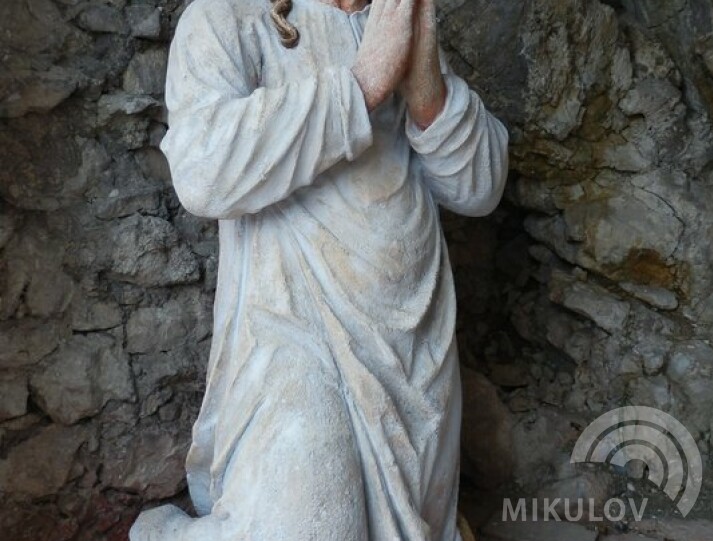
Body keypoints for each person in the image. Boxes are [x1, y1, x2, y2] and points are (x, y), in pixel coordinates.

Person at [130, 0, 508, 538]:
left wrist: (428, 90)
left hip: (413, 346)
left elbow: (479, 189)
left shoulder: (393, 17)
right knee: (311, 524)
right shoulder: (228, 17)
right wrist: (360, 86)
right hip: (292, 330)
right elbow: (201, 168)